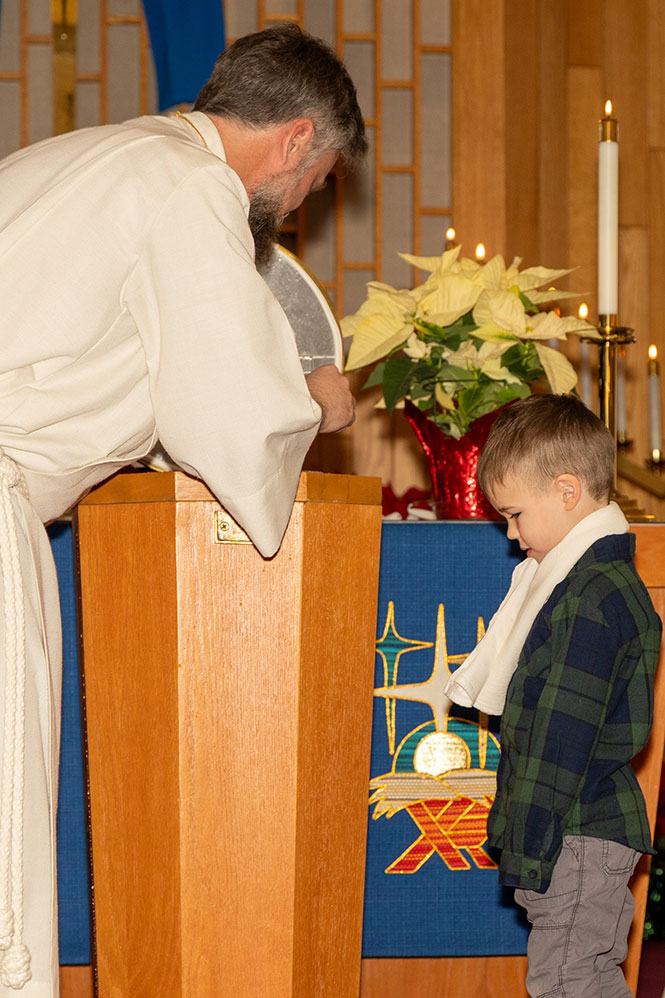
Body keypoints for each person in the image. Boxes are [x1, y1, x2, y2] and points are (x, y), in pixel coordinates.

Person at [0, 23, 365, 996]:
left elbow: (121, 359)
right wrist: (313, 406)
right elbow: (227, 406)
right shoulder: (189, 186)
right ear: (293, 140)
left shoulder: (79, 155)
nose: (300, 205)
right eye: (317, 179)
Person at [445, 394, 662, 998]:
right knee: (581, 977)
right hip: (583, 828)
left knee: (566, 983)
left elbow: (558, 740)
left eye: (513, 515)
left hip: (577, 830)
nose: (512, 536)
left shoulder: (589, 598)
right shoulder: (582, 585)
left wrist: (530, 844)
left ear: (568, 493)